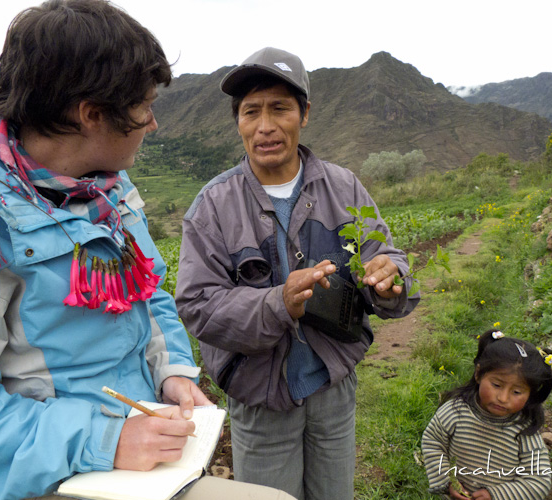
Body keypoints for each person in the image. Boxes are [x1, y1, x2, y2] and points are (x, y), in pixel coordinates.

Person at [0, 3, 294, 500]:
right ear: (91, 115)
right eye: (143, 106)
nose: (152, 123)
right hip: (46, 477)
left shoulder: (105, 191)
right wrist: (102, 440)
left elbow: (147, 292)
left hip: (139, 458)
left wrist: (172, 372)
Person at [175, 47, 419, 500]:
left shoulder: (343, 187)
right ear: (239, 122)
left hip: (333, 387)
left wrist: (391, 276)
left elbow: (385, 255)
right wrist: (277, 303)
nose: (265, 125)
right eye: (252, 112)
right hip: (261, 399)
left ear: (303, 114)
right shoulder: (213, 206)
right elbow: (198, 307)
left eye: (280, 108)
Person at [421, 329, 552, 499]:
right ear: (478, 374)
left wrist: (496, 495)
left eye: (516, 392)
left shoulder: (524, 430)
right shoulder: (455, 411)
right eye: (496, 385)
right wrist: (446, 482)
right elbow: (433, 442)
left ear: (530, 394)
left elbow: (539, 480)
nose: (502, 398)